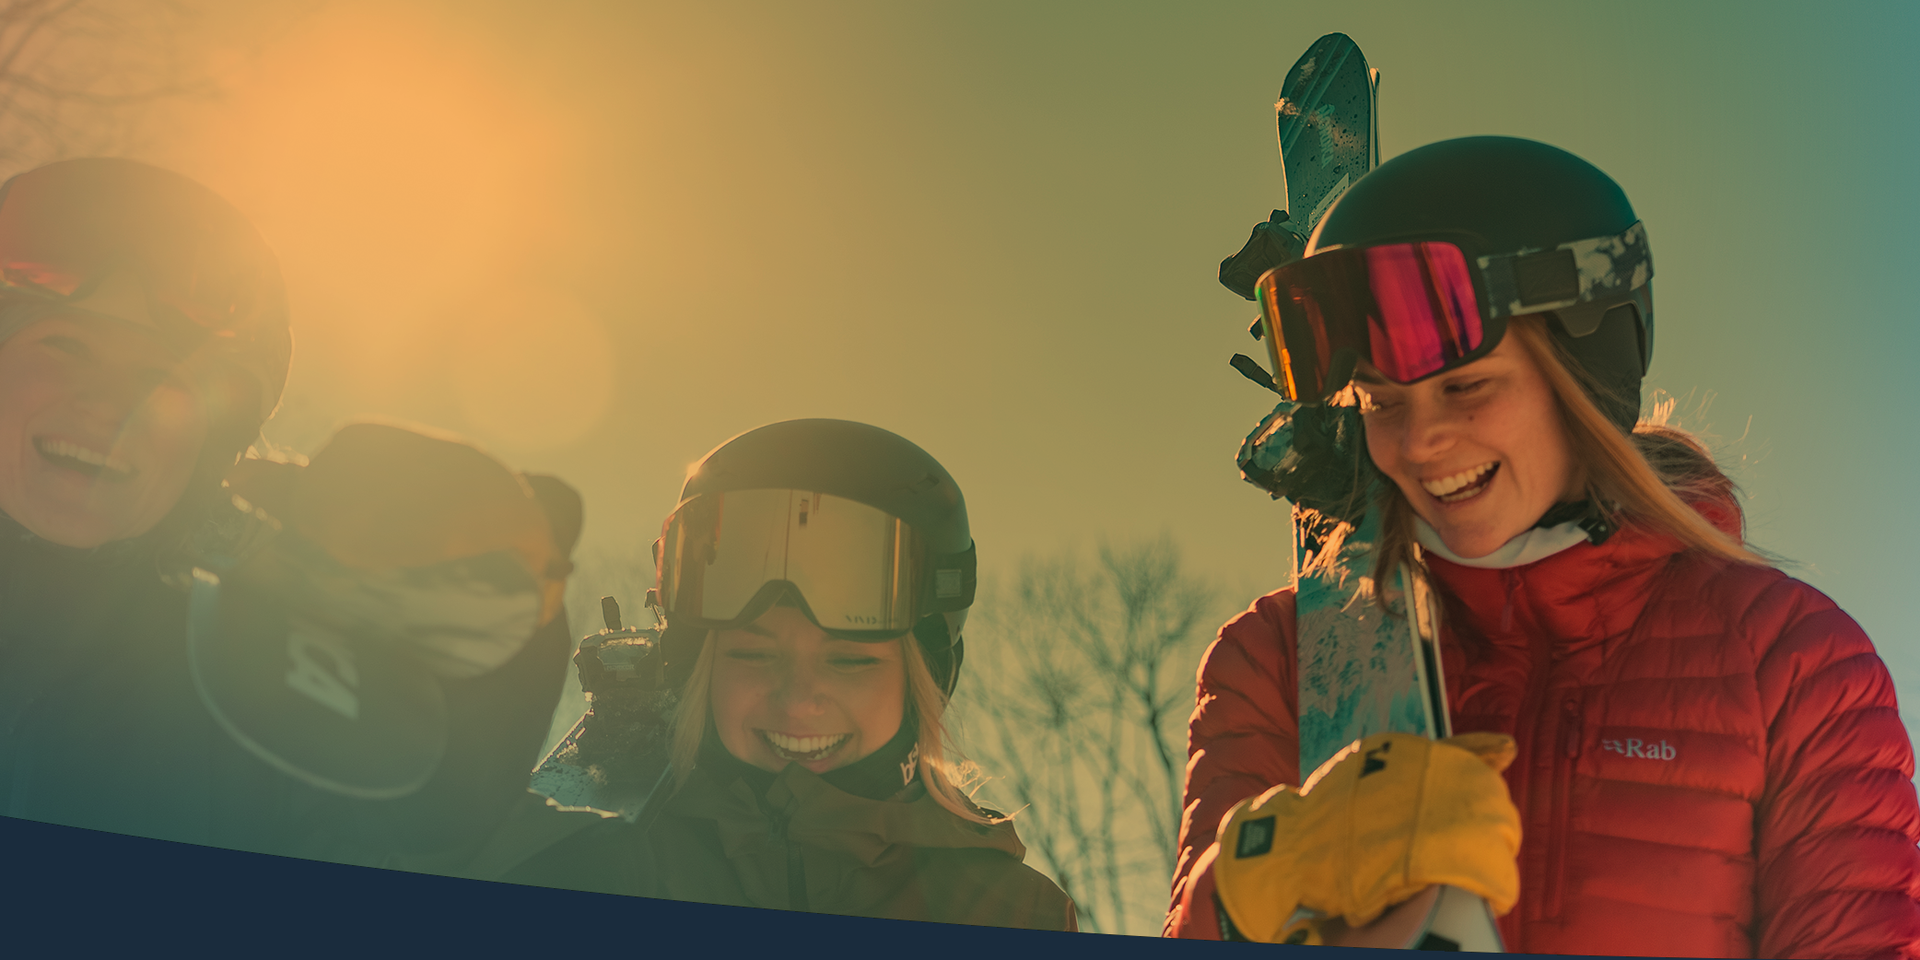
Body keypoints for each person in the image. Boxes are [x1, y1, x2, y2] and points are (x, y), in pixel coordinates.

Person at [1164, 137, 1920, 957]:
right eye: (1381, 402)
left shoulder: (1789, 662)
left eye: (1466, 387)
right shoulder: (1280, 657)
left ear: (1583, 374)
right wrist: (1246, 898)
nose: (1419, 442)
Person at [0, 157, 580, 863]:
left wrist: (464, 705)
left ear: (211, 438)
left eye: (160, 378)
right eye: (65, 345)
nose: (107, 406)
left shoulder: (258, 686)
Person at [486, 419, 1077, 931]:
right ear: (698, 670)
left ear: (921, 683)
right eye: (754, 655)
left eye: (849, 660)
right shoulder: (595, 868)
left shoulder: (1011, 913)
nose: (797, 702)